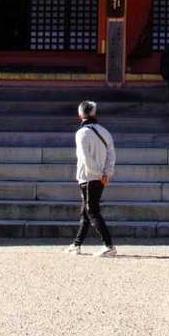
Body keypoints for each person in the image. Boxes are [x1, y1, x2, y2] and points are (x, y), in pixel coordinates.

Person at [66, 100, 117, 257]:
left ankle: (109, 245)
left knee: (92, 211)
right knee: (87, 211)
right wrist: (106, 173)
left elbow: (85, 158)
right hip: (100, 177)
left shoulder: (81, 133)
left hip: (88, 177)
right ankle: (77, 244)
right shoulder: (104, 131)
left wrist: (99, 173)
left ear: (80, 114)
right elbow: (111, 154)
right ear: (94, 113)